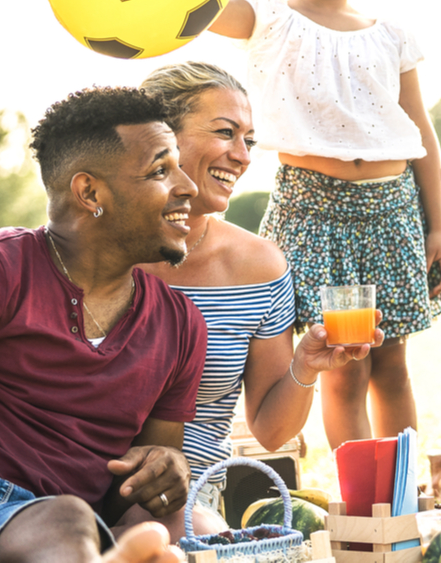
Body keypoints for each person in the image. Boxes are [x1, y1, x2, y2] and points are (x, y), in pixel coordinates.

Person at [206, 0, 441, 447]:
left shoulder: (391, 35)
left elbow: (422, 135)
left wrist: (437, 227)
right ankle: (365, 510)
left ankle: (403, 499)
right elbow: (205, 11)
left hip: (391, 213)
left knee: (392, 367)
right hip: (314, 212)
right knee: (344, 369)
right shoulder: (268, 17)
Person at [114, 62, 382, 539]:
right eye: (225, 133)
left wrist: (305, 365)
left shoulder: (260, 267)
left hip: (186, 502)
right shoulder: (99, 251)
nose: (242, 155)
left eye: (249, 140)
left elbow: (271, 432)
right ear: (159, 136)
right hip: (71, 483)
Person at [0, 86, 207, 562]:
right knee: (68, 518)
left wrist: (168, 470)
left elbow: (144, 473)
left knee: (183, 524)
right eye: (161, 170)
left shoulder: (180, 324)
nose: (188, 187)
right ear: (90, 192)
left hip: (88, 524)